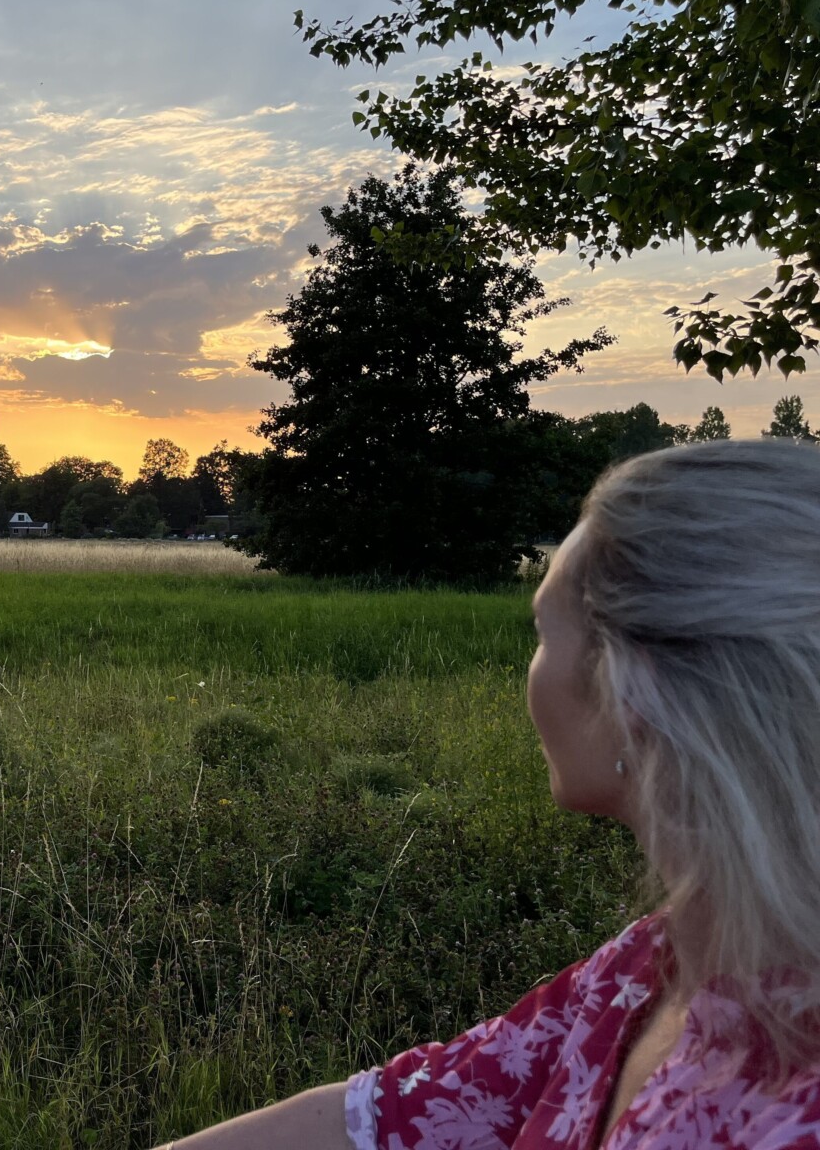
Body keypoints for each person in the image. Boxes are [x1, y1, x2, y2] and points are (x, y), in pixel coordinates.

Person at [153, 439, 820, 1149]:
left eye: (539, 633)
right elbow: (391, 1117)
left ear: (632, 690)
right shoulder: (649, 972)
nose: (528, 671)